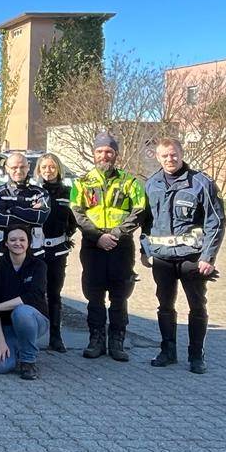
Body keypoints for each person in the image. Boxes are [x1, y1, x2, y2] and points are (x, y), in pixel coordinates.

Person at [141, 137, 226, 374]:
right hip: (162, 257)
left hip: (192, 257)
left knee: (196, 305)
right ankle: (168, 351)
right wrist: (145, 250)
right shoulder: (152, 184)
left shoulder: (201, 183)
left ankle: (196, 355)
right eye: (164, 155)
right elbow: (145, 221)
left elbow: (215, 222)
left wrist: (208, 257)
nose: (170, 159)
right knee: (164, 304)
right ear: (157, 157)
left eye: (173, 154)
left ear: (181, 153)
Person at [71, 132, 146, 362]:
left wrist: (114, 234)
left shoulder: (130, 182)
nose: (105, 155)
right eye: (100, 151)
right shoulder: (81, 182)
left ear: (116, 155)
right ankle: (96, 339)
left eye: (109, 152)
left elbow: (139, 210)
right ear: (94, 154)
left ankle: (117, 340)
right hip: (93, 246)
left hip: (120, 246)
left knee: (119, 295)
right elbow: (77, 213)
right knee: (93, 296)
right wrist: (97, 237)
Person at [0, 226, 49, 380]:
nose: (18, 243)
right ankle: (16, 346)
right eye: (13, 239)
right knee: (2, 367)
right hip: (6, 326)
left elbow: (33, 296)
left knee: (21, 312)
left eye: (22, 240)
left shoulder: (39, 266)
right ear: (6, 243)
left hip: (34, 320)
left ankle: (28, 361)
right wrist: (0, 341)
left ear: (28, 243)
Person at [33, 152, 77, 352]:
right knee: (35, 292)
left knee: (54, 294)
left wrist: (68, 233)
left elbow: (75, 219)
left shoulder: (68, 192)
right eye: (44, 168)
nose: (48, 171)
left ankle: (55, 336)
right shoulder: (33, 191)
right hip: (36, 250)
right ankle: (32, 334)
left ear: (58, 168)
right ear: (38, 170)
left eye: (52, 167)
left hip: (58, 251)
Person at [0, 152, 50, 256]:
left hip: (34, 254)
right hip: (5, 253)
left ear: (28, 167)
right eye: (14, 167)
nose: (19, 171)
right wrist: (29, 213)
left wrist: (12, 210)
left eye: (22, 167)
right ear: (7, 168)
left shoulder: (40, 192)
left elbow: (40, 217)